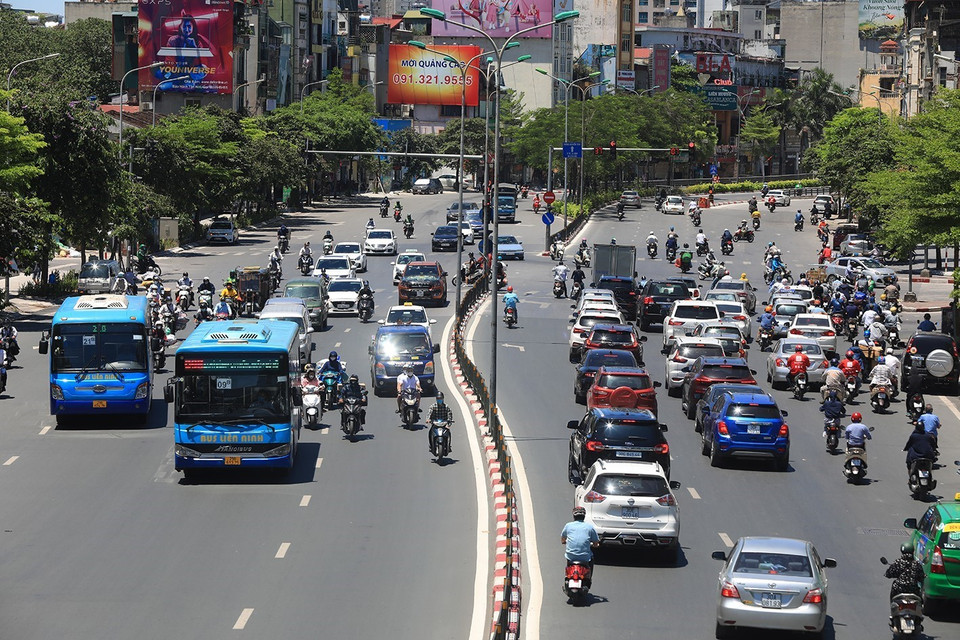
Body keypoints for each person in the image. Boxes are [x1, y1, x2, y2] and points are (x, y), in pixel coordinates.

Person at [561, 506, 600, 587]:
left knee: (568, 559)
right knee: (591, 558)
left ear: (574, 516)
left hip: (571, 556)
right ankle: (589, 579)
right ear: (584, 516)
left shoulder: (568, 526)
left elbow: (563, 539)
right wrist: (595, 545)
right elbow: (596, 543)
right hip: (585, 558)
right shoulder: (589, 527)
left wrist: (565, 542)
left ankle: (567, 576)